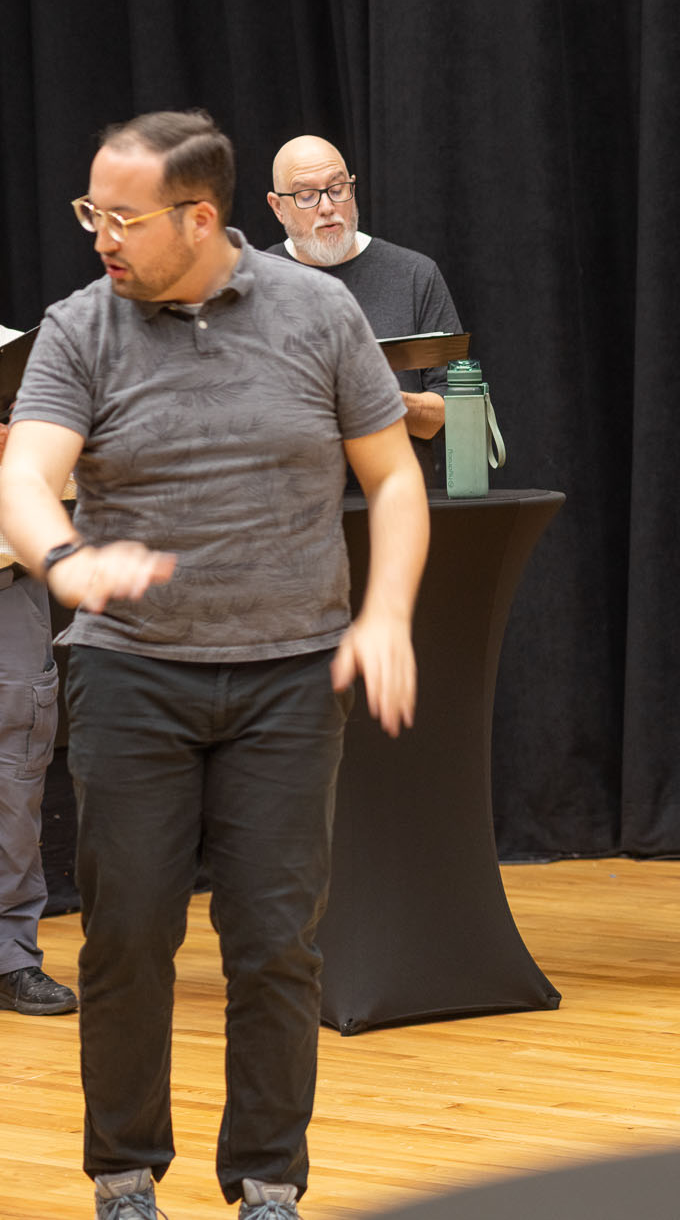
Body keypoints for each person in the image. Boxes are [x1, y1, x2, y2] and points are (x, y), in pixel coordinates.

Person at [0, 110, 428, 1220]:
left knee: (275, 944)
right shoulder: (79, 327)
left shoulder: (316, 312)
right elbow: (25, 476)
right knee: (128, 936)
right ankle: (124, 1175)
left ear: (199, 217)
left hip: (289, 676)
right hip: (132, 674)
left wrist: (385, 612)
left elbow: (391, 477)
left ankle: (270, 1182)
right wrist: (66, 559)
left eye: (123, 217)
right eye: (91, 212)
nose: (102, 236)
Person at [265, 135, 465, 483]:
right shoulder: (257, 284)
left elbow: (457, 410)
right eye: (307, 195)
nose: (327, 206)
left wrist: (376, 400)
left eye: (337, 188)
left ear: (353, 188)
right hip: (291, 502)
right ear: (278, 207)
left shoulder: (415, 275)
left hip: (400, 495)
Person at [0, 393, 73, 1019]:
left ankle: (10, 958)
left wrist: (29, 450)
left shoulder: (31, 364)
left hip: (11, 587)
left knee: (15, 785)